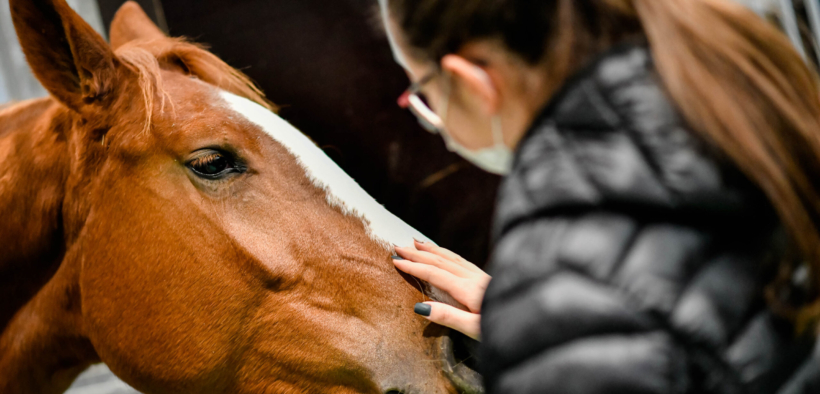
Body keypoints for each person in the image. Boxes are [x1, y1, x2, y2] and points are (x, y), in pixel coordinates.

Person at [381, 0, 820, 393]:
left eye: (425, 93)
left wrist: (554, 325)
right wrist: (567, 329)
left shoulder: (555, 267)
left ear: (473, 82)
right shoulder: (730, 79)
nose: (434, 122)